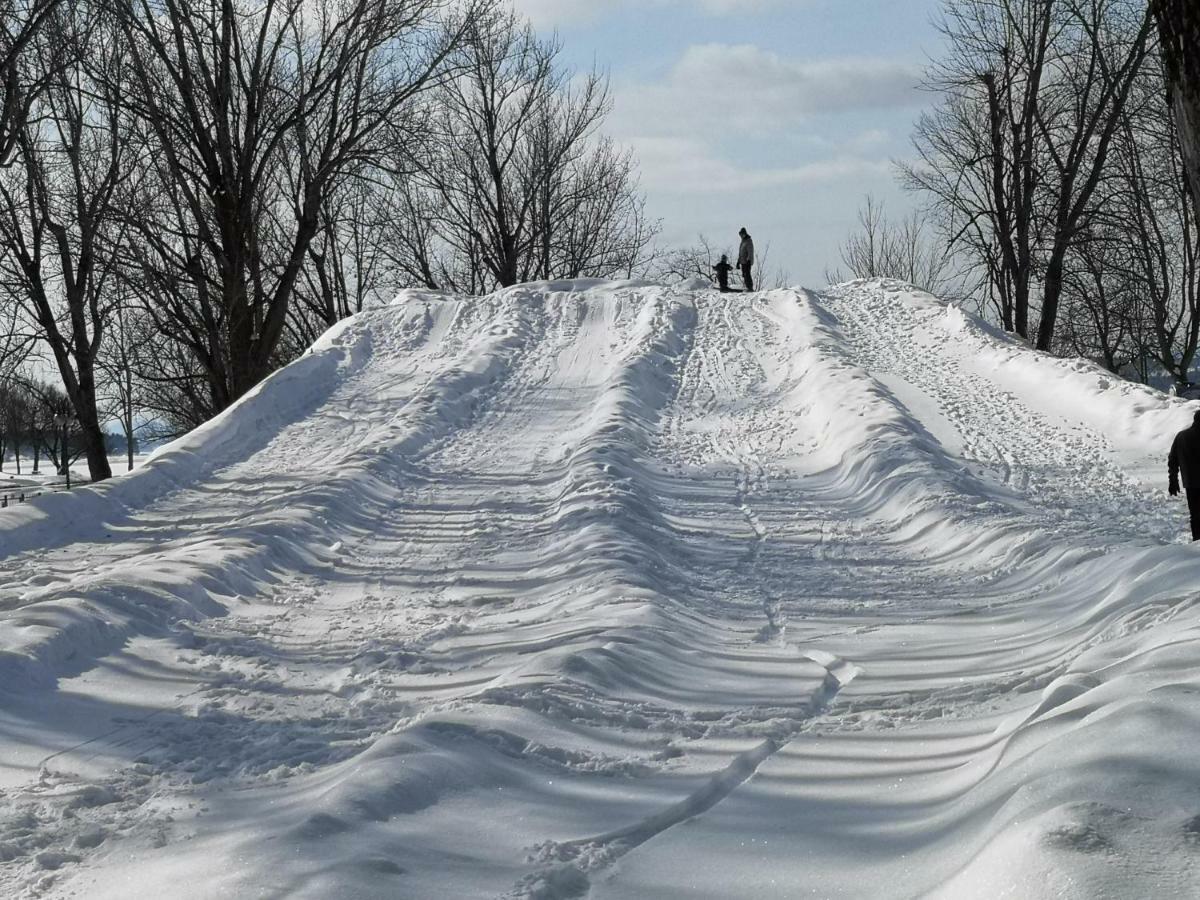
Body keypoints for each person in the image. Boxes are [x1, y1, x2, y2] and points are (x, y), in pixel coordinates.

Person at [1168, 409, 1200, 540]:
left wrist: (1173, 480)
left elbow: (1172, 460)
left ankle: (1197, 541)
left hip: (1191, 483)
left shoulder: (1182, 436)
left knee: (1196, 516)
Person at [737, 227, 755, 292]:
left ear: (744, 234)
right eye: (740, 235)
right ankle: (747, 287)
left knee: (747, 274)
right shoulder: (742, 241)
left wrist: (749, 260)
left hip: (747, 261)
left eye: (742, 234)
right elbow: (741, 252)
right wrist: (738, 261)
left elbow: (750, 251)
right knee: (744, 274)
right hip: (743, 261)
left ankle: (750, 287)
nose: (741, 236)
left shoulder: (748, 241)